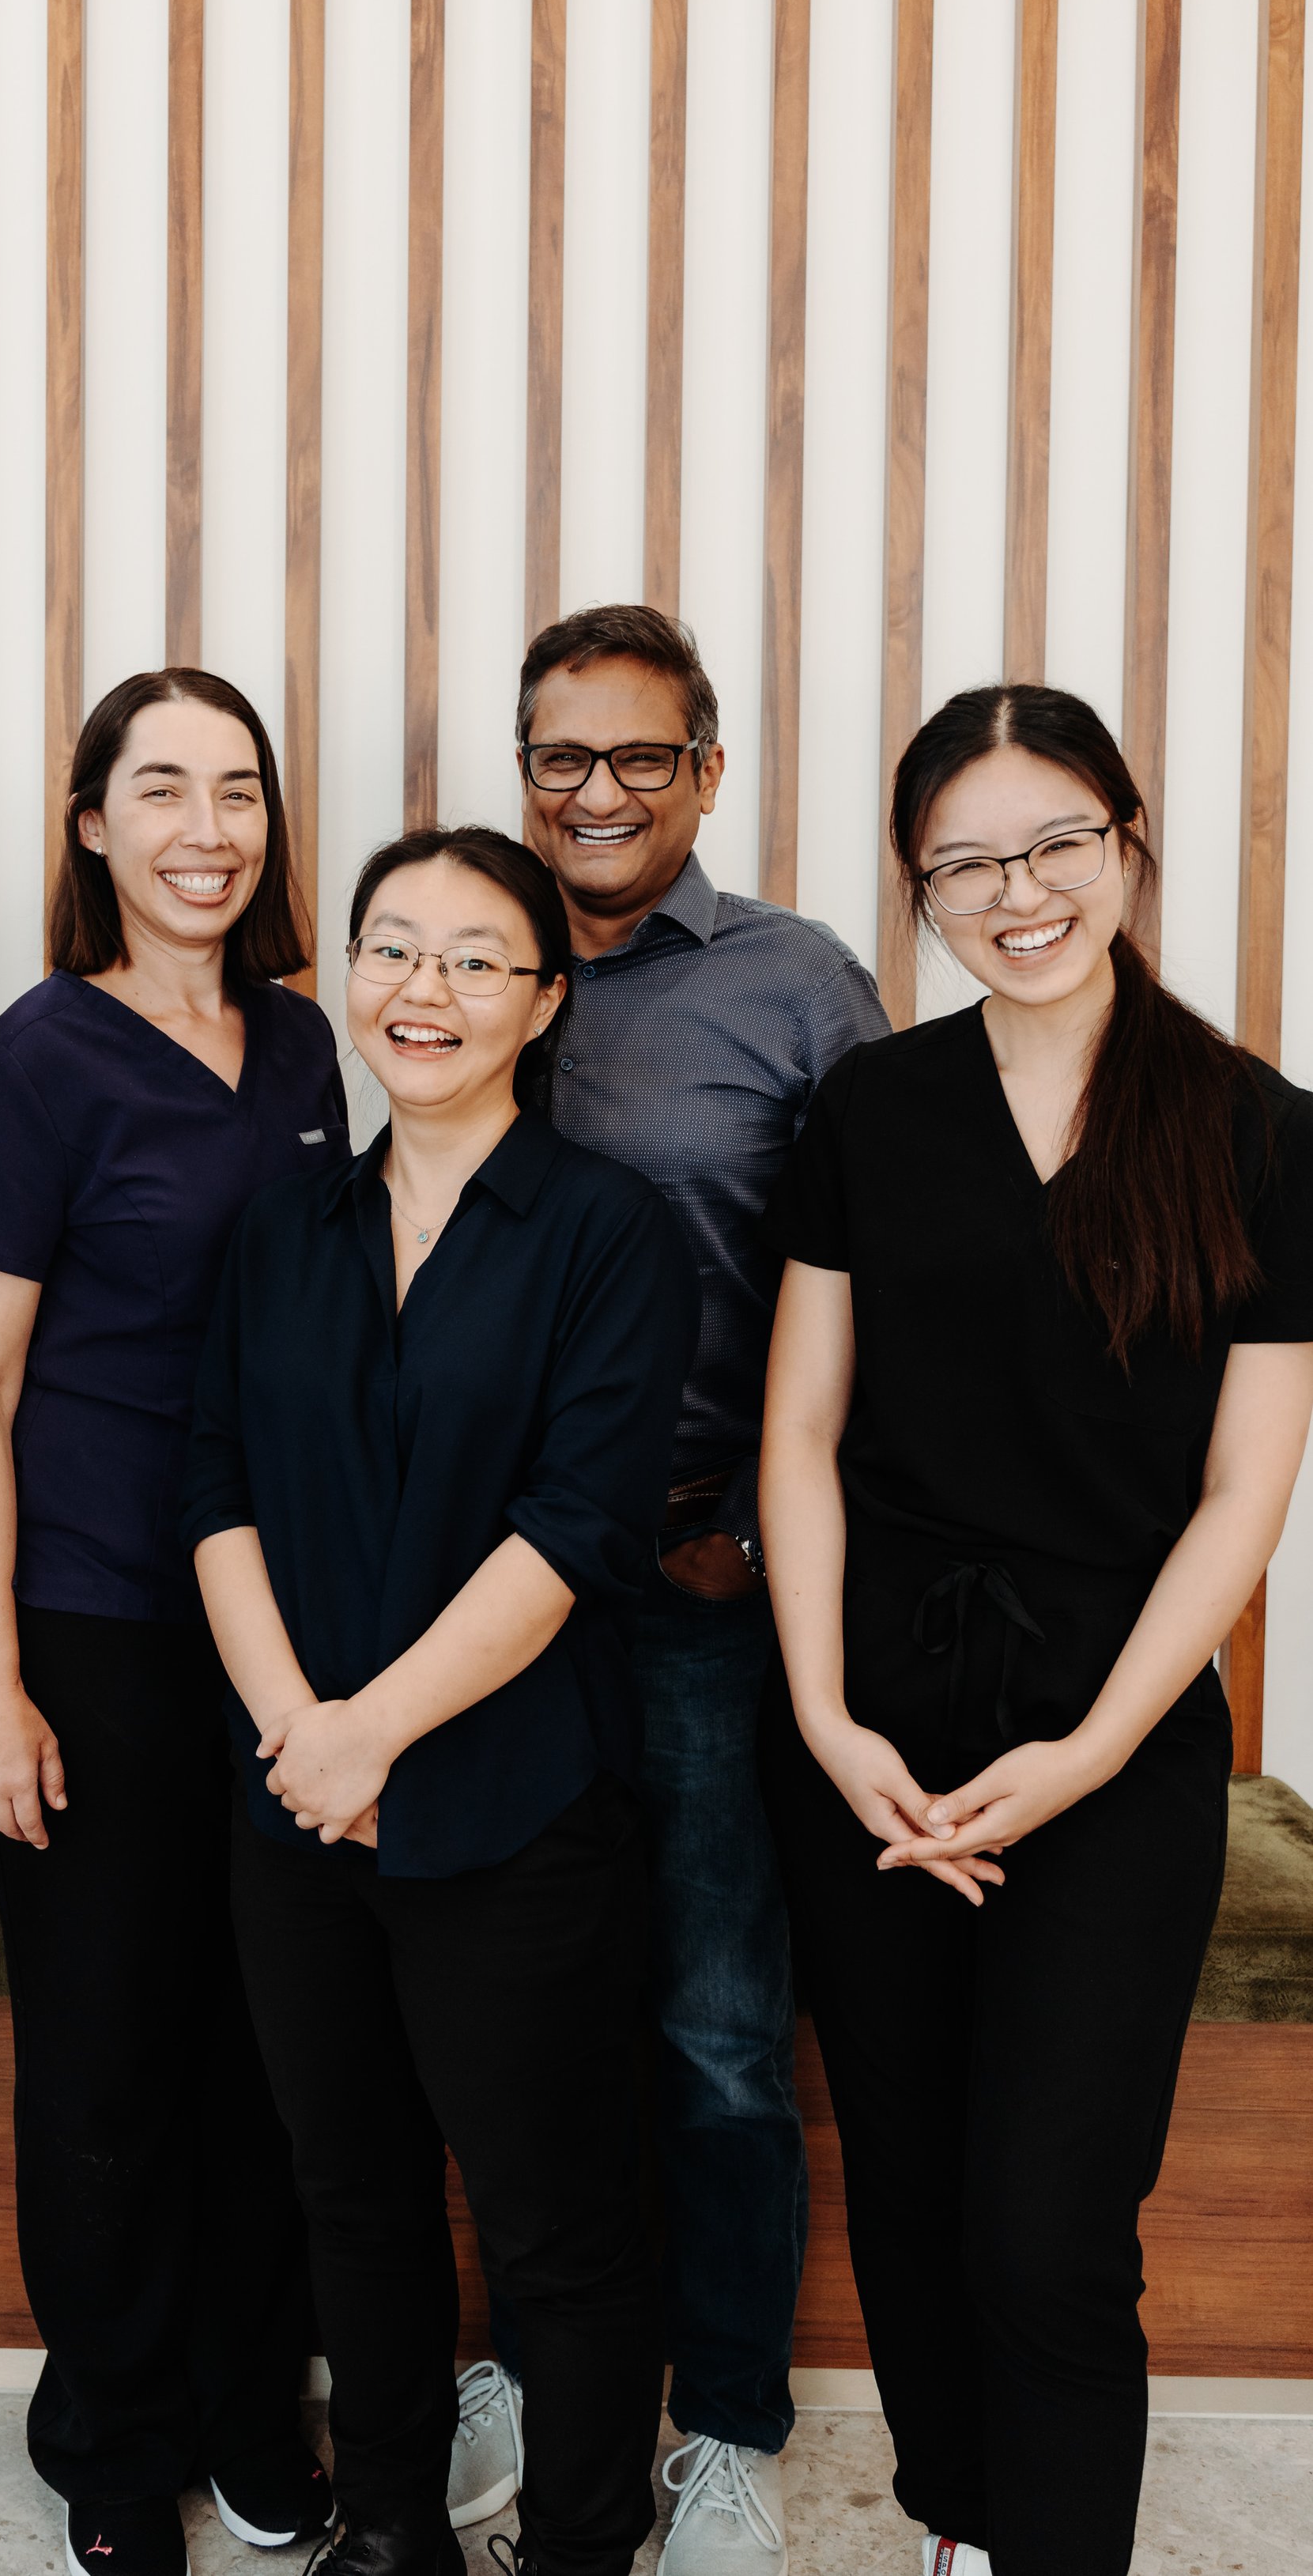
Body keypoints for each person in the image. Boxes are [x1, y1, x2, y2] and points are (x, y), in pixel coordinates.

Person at [756, 684, 1313, 2576]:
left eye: (1054, 842)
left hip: (1113, 1733)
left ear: (1125, 840)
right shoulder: (869, 1107)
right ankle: (960, 2526)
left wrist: (1083, 1755)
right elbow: (800, 1434)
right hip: (874, 1718)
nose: (1016, 893)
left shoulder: (1251, 1129)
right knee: (906, 2186)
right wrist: (828, 1717)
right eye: (964, 864)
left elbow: (1244, 1497)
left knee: (1050, 2224)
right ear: (918, 890)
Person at [186, 825, 698, 2576]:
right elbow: (214, 1485)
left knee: (559, 2225)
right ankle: (390, 2522)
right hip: (296, 1809)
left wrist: (367, 1730)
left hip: (515, 1810)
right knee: (358, 2194)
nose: (426, 988)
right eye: (392, 947)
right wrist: (297, 1740)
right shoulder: (279, 1229)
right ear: (340, 973)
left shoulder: (603, 1231)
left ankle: (574, 2543)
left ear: (542, 1001)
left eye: (477, 957)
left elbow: (575, 1529)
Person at [461, 605, 885, 2569]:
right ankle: (536, 2370)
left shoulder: (799, 985)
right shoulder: (462, 955)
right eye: (560, 755)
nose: (597, 792)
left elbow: (887, 1288)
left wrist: (769, 1535)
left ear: (704, 772)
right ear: (520, 769)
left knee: (718, 2020)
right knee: (508, 1995)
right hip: (487, 1582)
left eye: (640, 756)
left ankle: (721, 2421)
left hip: (709, 1570)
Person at [0, 670, 343, 2576]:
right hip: (93, 1620)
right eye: (156, 787)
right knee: (103, 2057)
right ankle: (109, 2432)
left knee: (275, 2048)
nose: (204, 827)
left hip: (294, 1640)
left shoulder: (316, 1046)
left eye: (236, 789)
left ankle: (262, 2412)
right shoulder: (33, 1061)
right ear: (88, 823)